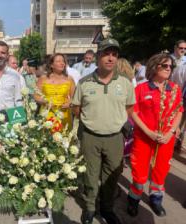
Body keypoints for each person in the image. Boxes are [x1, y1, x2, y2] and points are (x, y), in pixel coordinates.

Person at [72, 38, 135, 224]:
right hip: (90, 137)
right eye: (106, 54)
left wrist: (117, 122)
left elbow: (129, 107)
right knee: (91, 174)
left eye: (114, 55)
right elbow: (77, 108)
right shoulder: (84, 83)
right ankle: (90, 207)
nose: (110, 58)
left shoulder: (125, 83)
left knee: (112, 175)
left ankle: (107, 209)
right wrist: (93, 120)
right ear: (98, 56)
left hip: (115, 138)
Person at [127, 53, 183, 218]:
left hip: (166, 139)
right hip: (144, 138)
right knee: (139, 172)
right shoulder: (141, 88)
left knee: (161, 171)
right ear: (154, 67)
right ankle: (134, 198)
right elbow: (133, 112)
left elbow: (179, 111)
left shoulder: (174, 89)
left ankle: (156, 199)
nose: (168, 69)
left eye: (170, 67)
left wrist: (171, 132)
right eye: (164, 66)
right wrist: (148, 132)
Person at [34, 53, 75, 130]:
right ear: (51, 65)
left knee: (64, 137)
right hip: (47, 114)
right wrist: (45, 101)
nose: (62, 63)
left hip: (64, 114)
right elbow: (36, 96)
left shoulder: (69, 79)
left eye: (63, 61)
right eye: (58, 61)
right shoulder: (43, 78)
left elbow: (75, 97)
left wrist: (69, 103)